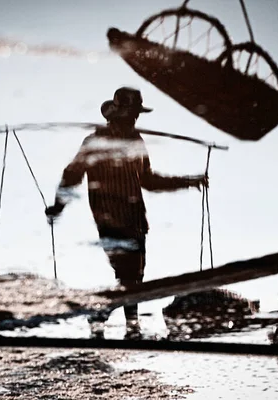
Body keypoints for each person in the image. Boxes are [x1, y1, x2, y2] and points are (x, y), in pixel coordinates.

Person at [45, 87, 208, 338]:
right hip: (109, 219)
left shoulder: (137, 142)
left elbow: (149, 181)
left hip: (135, 219)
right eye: (131, 113)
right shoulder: (95, 141)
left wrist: (189, 181)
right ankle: (116, 321)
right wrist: (59, 205)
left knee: (133, 277)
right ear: (117, 113)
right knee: (129, 276)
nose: (135, 118)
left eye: (137, 114)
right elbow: (72, 174)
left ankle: (116, 321)